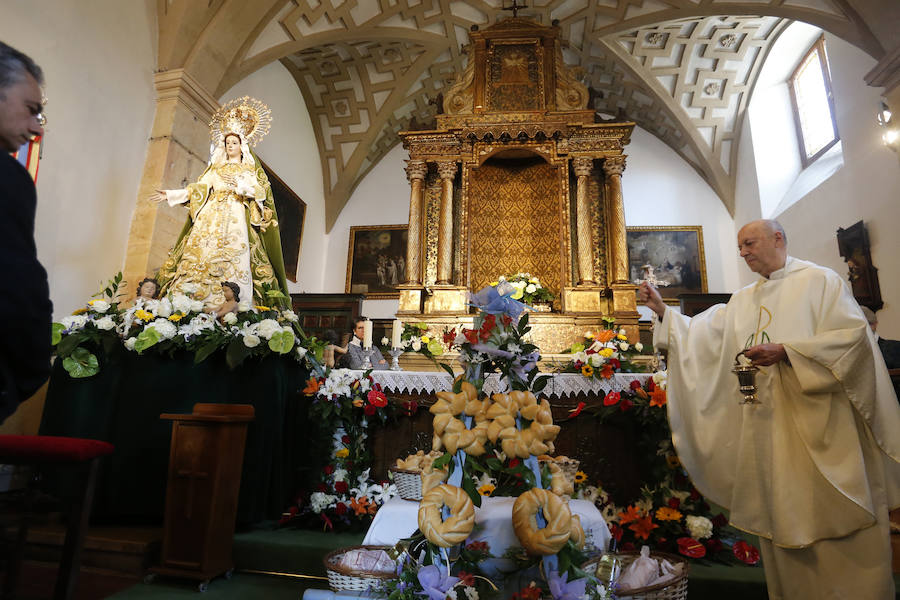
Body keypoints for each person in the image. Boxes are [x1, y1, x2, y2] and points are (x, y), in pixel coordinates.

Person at [638, 219, 900, 599]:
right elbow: (703, 336)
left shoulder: (821, 282)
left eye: (749, 244)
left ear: (778, 238)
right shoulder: (744, 299)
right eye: (740, 246)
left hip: (821, 427)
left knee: (837, 523)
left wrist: (788, 352)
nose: (742, 252)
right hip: (769, 426)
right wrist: (664, 312)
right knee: (784, 519)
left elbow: (852, 341)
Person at [150, 97, 288, 309]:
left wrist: (241, 188)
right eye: (227, 143)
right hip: (210, 215)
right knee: (199, 252)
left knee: (234, 253)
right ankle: (186, 299)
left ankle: (231, 300)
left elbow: (260, 192)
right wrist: (170, 194)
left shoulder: (248, 170)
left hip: (235, 215)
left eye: (234, 143)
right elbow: (198, 189)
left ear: (242, 145)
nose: (230, 146)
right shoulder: (215, 170)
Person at [0, 42, 51, 423]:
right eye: (32, 110)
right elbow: (17, 284)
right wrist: (28, 375)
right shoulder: (8, 178)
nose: (37, 128)